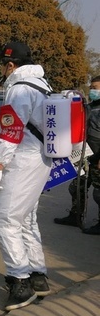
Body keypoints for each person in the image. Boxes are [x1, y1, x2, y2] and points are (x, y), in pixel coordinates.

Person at [0, 42, 53, 311]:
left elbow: (10, 130)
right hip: (42, 161)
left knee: (3, 220)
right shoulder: (43, 86)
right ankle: (38, 275)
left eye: (3, 65)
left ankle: (20, 281)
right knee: (25, 218)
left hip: (23, 161)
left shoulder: (18, 89)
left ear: (11, 65)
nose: (2, 70)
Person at [54, 75, 100, 235]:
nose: (93, 91)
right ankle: (75, 216)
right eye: (92, 87)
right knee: (76, 187)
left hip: (98, 158)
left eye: (96, 88)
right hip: (84, 155)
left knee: (99, 193)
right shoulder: (89, 107)